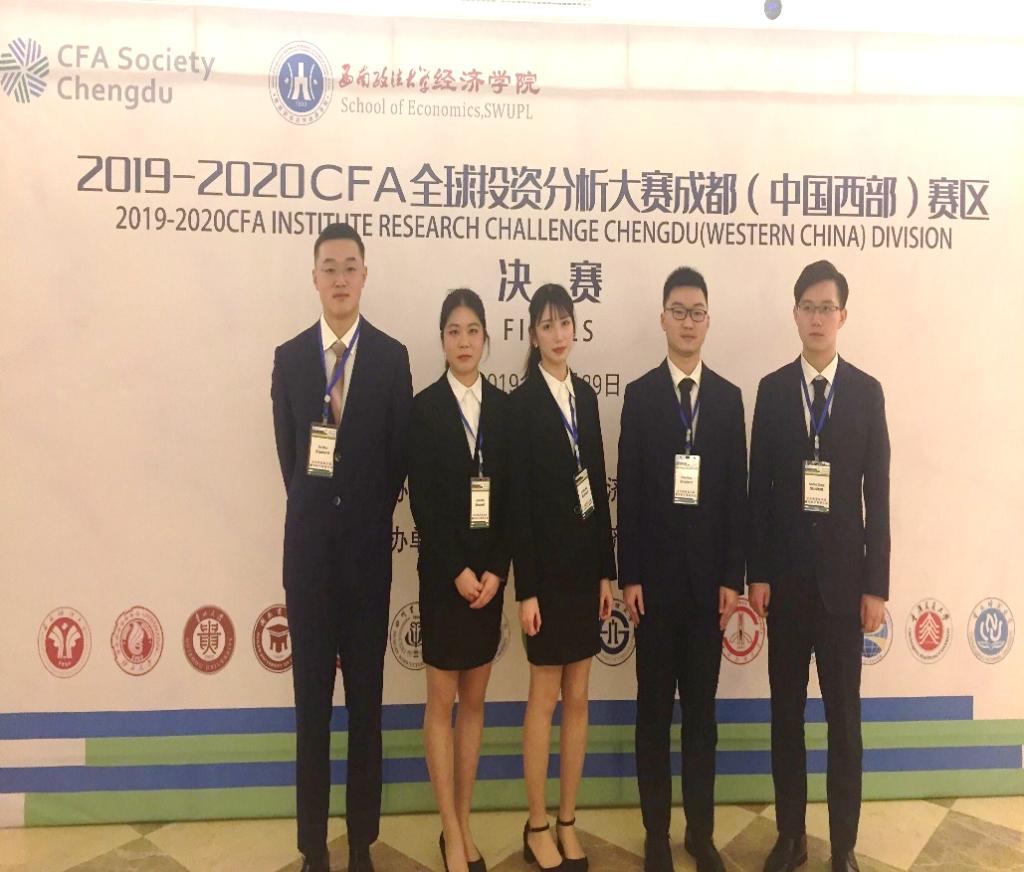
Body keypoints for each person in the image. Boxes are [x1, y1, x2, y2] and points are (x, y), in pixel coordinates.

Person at [271, 222, 413, 872]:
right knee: (310, 712)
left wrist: (357, 513)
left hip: (365, 563)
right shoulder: (290, 358)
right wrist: (322, 511)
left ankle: (360, 843)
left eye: (349, 266)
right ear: (314, 277)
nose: (339, 278)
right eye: (328, 267)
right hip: (308, 563)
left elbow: (396, 458)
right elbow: (291, 459)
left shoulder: (390, 357)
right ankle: (311, 848)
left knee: (364, 710)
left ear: (364, 275)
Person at [748, 260, 890, 872]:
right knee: (786, 720)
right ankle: (791, 838)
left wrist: (876, 585)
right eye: (807, 306)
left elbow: (877, 496)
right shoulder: (772, 390)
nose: (816, 318)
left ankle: (844, 847)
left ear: (843, 316)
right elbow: (758, 492)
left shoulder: (866, 392)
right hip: (784, 588)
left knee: (844, 725)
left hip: (843, 590)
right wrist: (757, 573)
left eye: (826, 307)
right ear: (795, 313)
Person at [617, 267, 747, 872]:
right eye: (678, 311)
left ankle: (701, 833)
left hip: (707, 591)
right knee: (651, 716)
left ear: (708, 321)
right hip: (654, 589)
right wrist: (630, 576)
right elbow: (630, 492)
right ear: (663, 318)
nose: (688, 322)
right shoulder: (641, 396)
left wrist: (731, 579)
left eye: (697, 312)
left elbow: (736, 496)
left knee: (701, 717)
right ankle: (655, 835)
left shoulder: (727, 398)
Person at [508, 283, 616, 872]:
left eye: (564, 323)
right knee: (544, 699)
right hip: (545, 580)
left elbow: (596, 485)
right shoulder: (522, 404)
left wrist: (606, 572)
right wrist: (526, 589)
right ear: (533, 335)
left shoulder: (586, 397)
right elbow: (519, 509)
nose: (557, 335)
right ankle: (537, 825)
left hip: (583, 574)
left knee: (579, 698)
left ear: (575, 328)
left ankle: (568, 820)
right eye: (546, 325)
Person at [408, 289, 512, 872]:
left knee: (474, 704)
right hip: (444, 581)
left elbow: (512, 499)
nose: (464, 341)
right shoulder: (424, 409)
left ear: (486, 338)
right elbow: (424, 503)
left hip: (488, 584)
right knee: (441, 703)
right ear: (442, 340)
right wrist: (458, 571)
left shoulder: (504, 409)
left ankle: (464, 820)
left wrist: (495, 570)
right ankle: (449, 832)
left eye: (473, 330)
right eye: (454, 331)